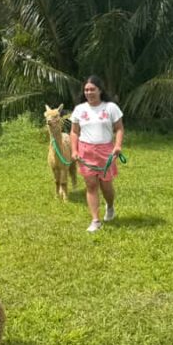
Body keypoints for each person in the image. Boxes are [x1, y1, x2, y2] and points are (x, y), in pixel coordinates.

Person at [69, 75, 124, 233]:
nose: (89, 92)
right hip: (85, 151)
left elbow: (119, 128)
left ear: (100, 90)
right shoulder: (80, 109)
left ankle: (110, 206)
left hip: (106, 151)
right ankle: (95, 220)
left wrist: (118, 145)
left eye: (92, 89)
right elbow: (74, 132)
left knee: (106, 186)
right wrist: (74, 150)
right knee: (91, 186)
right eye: (86, 89)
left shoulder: (110, 107)